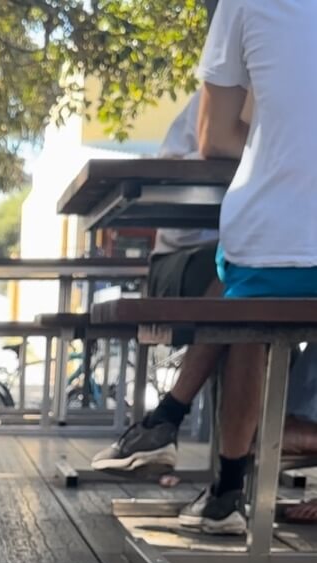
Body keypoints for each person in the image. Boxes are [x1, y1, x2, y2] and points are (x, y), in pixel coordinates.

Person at [95, 5, 317, 534]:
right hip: (198, 257)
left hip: (259, 253)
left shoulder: (247, 17)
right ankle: (216, 465)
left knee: (248, 280)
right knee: (246, 280)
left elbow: (215, 139)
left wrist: (277, 149)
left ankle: (191, 445)